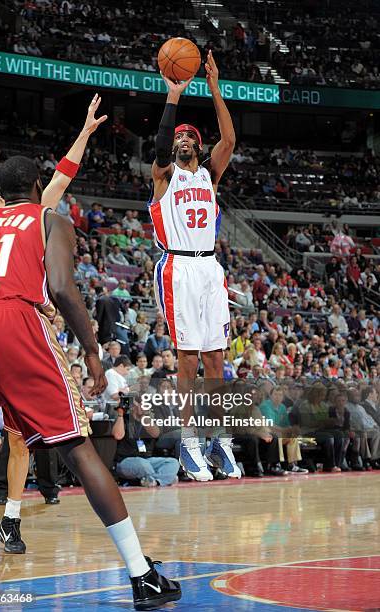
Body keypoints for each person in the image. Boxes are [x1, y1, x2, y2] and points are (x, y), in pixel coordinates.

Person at [0, 154, 181, 607]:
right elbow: (65, 288)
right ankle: (141, 575)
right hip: (15, 325)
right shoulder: (50, 220)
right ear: (37, 185)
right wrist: (91, 351)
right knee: (77, 446)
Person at [0, 95, 109, 554]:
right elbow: (54, 181)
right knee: (35, 440)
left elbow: (59, 177)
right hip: (12, 329)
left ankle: (11, 518)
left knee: (18, 440)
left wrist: (86, 133)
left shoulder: (4, 220)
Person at [150, 51, 238, 480]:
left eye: (189, 136)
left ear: (198, 146)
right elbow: (159, 144)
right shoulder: (165, 175)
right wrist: (174, 97)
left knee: (216, 361)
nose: (182, 139)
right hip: (178, 268)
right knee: (187, 362)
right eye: (177, 137)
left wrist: (215, 85)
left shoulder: (208, 175)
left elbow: (230, 140)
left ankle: (219, 441)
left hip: (210, 269)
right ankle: (188, 444)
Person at [113, 397, 179, 487]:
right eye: (141, 404)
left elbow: (155, 433)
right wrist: (120, 414)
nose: (144, 407)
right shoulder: (124, 419)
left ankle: (155, 481)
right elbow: (118, 435)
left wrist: (144, 415)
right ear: (132, 406)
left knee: (173, 462)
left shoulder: (147, 421)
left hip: (147, 460)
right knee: (142, 464)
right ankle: (166, 478)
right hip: (125, 461)